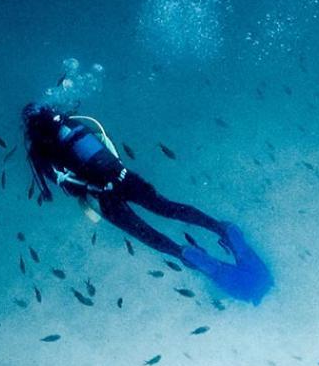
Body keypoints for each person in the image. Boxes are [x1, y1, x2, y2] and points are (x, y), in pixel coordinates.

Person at [21, 102, 271, 304]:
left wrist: (81, 190)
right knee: (168, 208)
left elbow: (57, 186)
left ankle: (185, 253)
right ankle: (223, 229)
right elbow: (106, 144)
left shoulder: (36, 150)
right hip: (124, 176)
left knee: (147, 234)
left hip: (101, 196)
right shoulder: (73, 123)